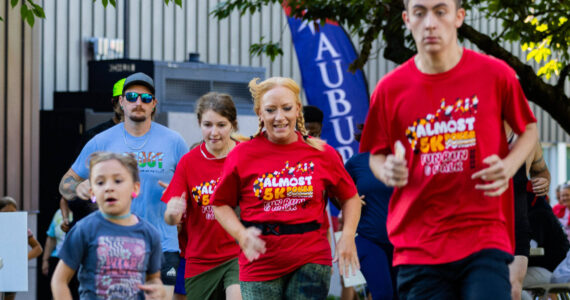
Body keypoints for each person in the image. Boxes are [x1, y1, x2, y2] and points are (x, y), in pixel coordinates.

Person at [359, 0, 539, 298]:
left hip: (484, 235)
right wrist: (386, 169)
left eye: (440, 11)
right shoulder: (390, 89)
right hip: (418, 244)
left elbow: (528, 129)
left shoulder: (495, 74)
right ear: (407, 19)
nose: (430, 22)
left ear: (458, 17)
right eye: (420, 13)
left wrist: (509, 166)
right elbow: (376, 153)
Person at [211, 77, 362, 300]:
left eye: (287, 108)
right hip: (259, 260)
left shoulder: (322, 153)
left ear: (297, 110)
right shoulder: (242, 154)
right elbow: (220, 203)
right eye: (271, 110)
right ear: (259, 113)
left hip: (310, 257)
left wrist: (348, 236)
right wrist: (241, 234)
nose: (279, 117)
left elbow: (351, 198)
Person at [58, 72, 189, 297]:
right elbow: (65, 184)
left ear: (154, 104)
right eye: (132, 97)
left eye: (146, 98)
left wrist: (179, 195)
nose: (139, 103)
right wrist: (77, 188)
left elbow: (193, 187)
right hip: (114, 246)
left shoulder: (174, 141)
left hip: (164, 246)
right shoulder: (101, 141)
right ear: (121, 101)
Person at [51, 152, 164, 299]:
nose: (108, 188)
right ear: (92, 192)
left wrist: (158, 289)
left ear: (135, 188)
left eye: (117, 181)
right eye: (100, 182)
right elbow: (59, 281)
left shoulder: (150, 234)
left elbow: (153, 278)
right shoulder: (84, 230)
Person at [163, 92, 242, 300]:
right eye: (207, 124)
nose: (214, 132)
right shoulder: (189, 162)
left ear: (233, 124)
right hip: (200, 259)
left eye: (221, 125)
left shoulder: (245, 157)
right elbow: (171, 218)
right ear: (199, 123)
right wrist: (172, 212)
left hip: (238, 254)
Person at [64, 78, 127, 231]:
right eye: (123, 100)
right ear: (114, 102)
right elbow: (71, 183)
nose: (129, 105)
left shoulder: (149, 138)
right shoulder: (95, 136)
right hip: (95, 224)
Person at [345, 125, 396, 300]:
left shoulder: (404, 160)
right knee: (384, 295)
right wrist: (351, 201)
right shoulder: (356, 163)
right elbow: (336, 191)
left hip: (403, 242)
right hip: (369, 238)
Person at [507, 126, 551, 300]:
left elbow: (541, 171)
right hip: (481, 226)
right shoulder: (473, 132)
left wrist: (544, 181)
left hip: (517, 226)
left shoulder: (527, 138)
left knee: (513, 290)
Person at [0, 196, 44, 300]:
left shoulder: (21, 228)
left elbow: (38, 248)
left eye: (13, 213)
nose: (10, 216)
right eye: (6, 213)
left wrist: (22, 258)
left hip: (12, 271)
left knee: (9, 296)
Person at [42, 208, 79, 300]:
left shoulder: (83, 212)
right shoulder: (58, 213)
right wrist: (45, 260)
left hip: (78, 260)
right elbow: (51, 237)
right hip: (58, 258)